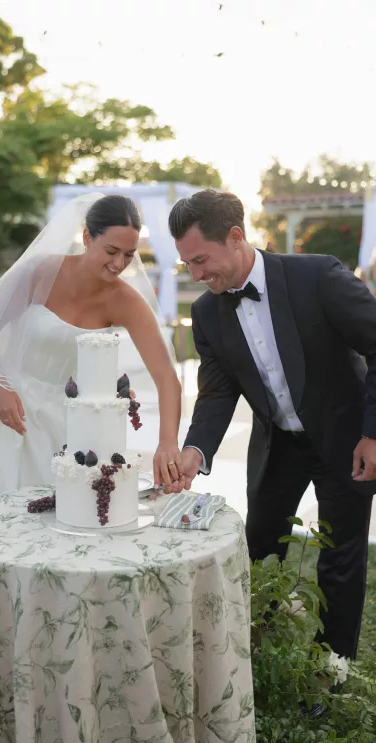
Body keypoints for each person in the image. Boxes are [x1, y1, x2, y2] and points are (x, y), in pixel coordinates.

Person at [0, 194, 183, 727]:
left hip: (65, 436)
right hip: (4, 418)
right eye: (111, 250)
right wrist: (0, 387)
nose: (119, 263)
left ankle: (33, 675)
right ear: (87, 238)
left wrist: (166, 443)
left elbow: (167, 377)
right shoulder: (40, 272)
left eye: (129, 254)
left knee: (51, 554)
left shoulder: (125, 299)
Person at [169, 188, 376, 668]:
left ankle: (330, 674)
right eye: (187, 265)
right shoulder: (206, 312)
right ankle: (250, 661)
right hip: (277, 444)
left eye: (200, 260)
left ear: (235, 236)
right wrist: (195, 450)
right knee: (258, 548)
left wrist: (372, 432)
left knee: (339, 562)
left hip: (347, 440)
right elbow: (217, 392)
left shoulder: (318, 277)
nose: (196, 276)